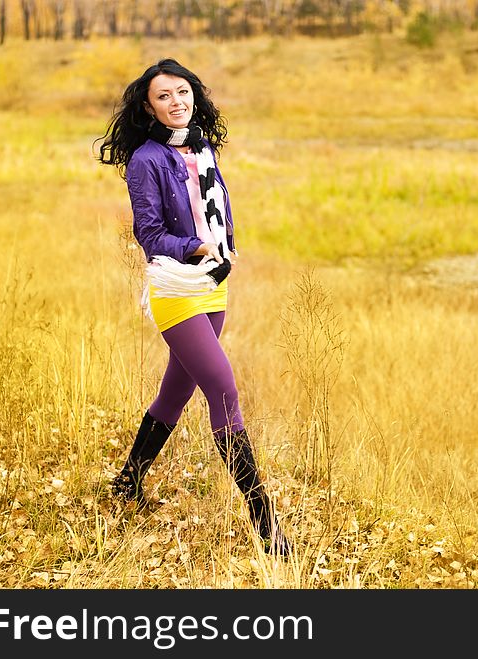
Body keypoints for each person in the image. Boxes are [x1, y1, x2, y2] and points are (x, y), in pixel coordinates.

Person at [96, 58, 291, 557]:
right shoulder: (145, 160)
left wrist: (225, 245)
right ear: (149, 107)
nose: (176, 102)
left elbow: (218, 209)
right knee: (223, 390)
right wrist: (197, 249)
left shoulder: (202, 148)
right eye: (164, 96)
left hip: (213, 286)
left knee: (174, 394)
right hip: (176, 286)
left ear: (194, 96)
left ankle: (126, 484)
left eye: (182, 92)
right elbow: (150, 233)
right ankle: (266, 525)